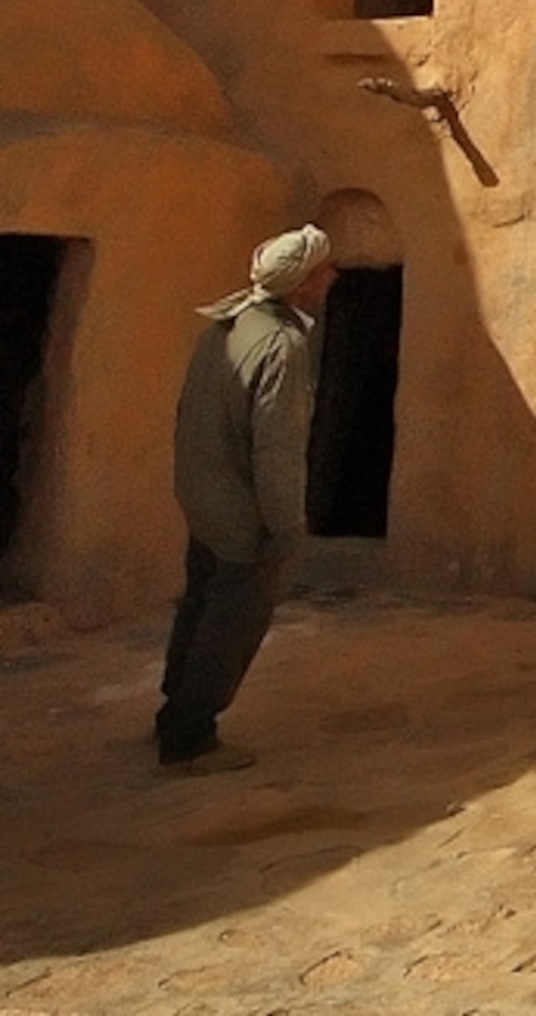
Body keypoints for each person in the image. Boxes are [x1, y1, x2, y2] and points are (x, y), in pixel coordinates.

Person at [155, 223, 334, 773]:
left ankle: (174, 712)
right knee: (231, 622)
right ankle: (189, 737)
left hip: (204, 496)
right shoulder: (281, 345)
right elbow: (276, 451)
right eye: (324, 270)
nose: (332, 277)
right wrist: (285, 527)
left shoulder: (225, 325)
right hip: (241, 511)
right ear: (303, 284)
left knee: (199, 606)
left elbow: (189, 412)